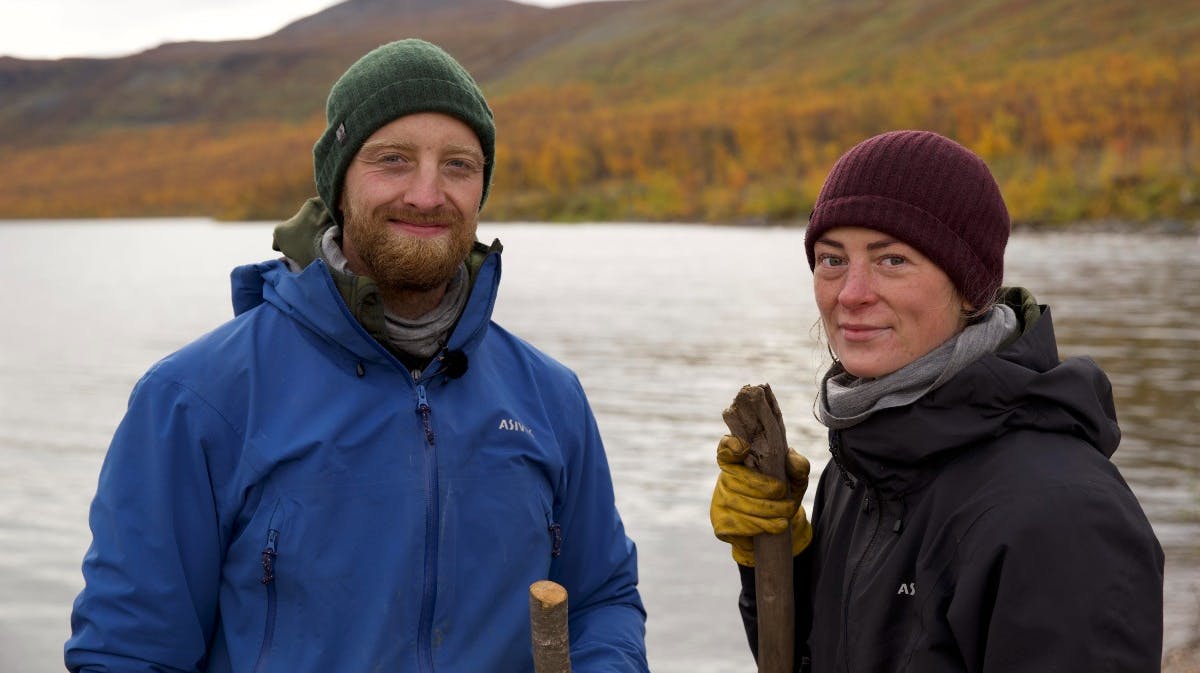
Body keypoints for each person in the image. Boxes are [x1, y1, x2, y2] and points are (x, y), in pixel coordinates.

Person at [66, 38, 649, 673]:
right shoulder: (196, 399)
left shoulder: (549, 398)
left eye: (458, 165)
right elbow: (127, 653)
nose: (427, 195)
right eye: (393, 160)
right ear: (338, 183)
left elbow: (601, 600)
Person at [709, 130, 1164, 672]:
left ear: (970, 288)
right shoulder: (857, 474)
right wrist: (774, 562)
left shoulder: (1061, 517)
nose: (851, 293)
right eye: (832, 259)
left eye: (893, 260)